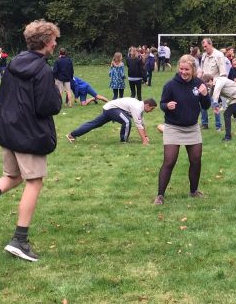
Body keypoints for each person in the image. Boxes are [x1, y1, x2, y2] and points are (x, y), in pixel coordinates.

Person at [0, 20, 63, 262]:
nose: (56, 43)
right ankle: (19, 240)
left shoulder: (13, 64)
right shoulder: (43, 70)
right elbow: (47, 106)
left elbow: (3, 97)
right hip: (29, 134)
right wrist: (56, 93)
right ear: (46, 41)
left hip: (8, 129)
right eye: (54, 39)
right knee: (34, 182)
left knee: (13, 175)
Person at [155, 55, 210, 205]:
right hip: (173, 127)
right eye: (181, 69)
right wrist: (167, 106)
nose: (184, 72)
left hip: (192, 128)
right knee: (169, 161)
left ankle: (194, 191)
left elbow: (206, 106)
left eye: (187, 69)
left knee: (196, 160)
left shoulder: (199, 84)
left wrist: (205, 95)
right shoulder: (170, 85)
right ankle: (160, 196)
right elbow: (162, 104)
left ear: (193, 70)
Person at [67, 97, 157, 145]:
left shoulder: (140, 106)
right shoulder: (137, 107)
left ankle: (72, 135)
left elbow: (142, 123)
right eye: (152, 108)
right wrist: (144, 141)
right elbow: (139, 126)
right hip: (112, 109)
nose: (151, 111)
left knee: (94, 124)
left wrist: (145, 136)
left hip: (109, 108)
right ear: (147, 105)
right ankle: (123, 141)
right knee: (127, 121)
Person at [199, 38, 227, 130]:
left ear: (211, 44)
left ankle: (218, 126)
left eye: (206, 46)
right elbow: (202, 70)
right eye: (203, 47)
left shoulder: (219, 55)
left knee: (215, 104)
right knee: (202, 104)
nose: (204, 48)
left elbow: (223, 72)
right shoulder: (204, 55)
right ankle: (204, 123)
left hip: (215, 84)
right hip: (204, 83)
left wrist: (216, 83)